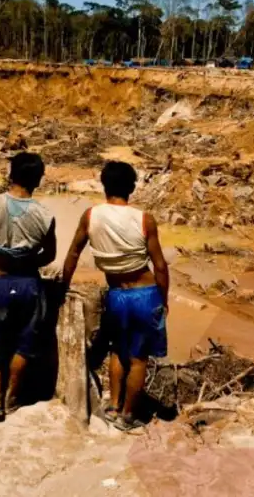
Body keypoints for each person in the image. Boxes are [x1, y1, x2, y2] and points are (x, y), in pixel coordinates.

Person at [62, 161, 169, 431]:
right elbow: (160, 266)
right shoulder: (144, 219)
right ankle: (128, 414)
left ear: (104, 185)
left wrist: (63, 286)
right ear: (132, 187)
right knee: (139, 358)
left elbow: (73, 254)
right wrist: (164, 298)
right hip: (144, 294)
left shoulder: (90, 216)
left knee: (117, 351)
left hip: (116, 295)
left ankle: (112, 405)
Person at [0, 152, 57, 422]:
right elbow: (50, 255)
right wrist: (26, 261)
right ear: (38, 179)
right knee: (25, 343)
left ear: (10, 174)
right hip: (29, 285)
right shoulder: (45, 215)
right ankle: (12, 397)